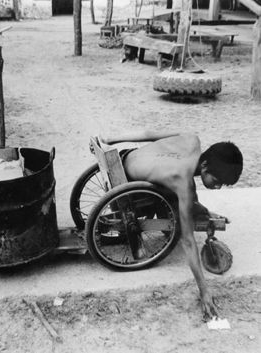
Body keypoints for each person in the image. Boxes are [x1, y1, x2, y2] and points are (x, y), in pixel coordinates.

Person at [99, 130, 243, 320]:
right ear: (205, 165)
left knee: (187, 194)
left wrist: (113, 138)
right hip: (131, 187)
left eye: (222, 185)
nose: (217, 187)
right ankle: (189, 211)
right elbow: (188, 241)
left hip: (126, 156)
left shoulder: (193, 140)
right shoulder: (181, 180)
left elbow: (152, 133)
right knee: (182, 197)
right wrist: (204, 290)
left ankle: (197, 208)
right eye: (217, 181)